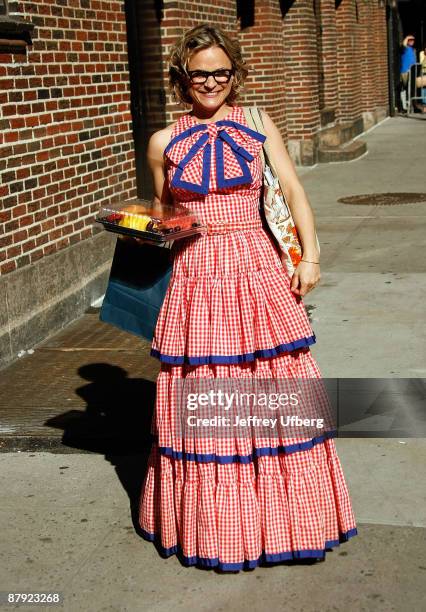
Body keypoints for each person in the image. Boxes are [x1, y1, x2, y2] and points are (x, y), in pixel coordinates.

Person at [138, 24, 358, 572]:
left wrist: (310, 256)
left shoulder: (259, 123)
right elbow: (166, 215)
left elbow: (293, 190)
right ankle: (221, 528)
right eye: (199, 74)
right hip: (197, 273)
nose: (210, 82)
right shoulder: (163, 141)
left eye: (220, 71)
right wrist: (142, 225)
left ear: (234, 74)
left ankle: (288, 519)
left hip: (257, 266)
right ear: (182, 78)